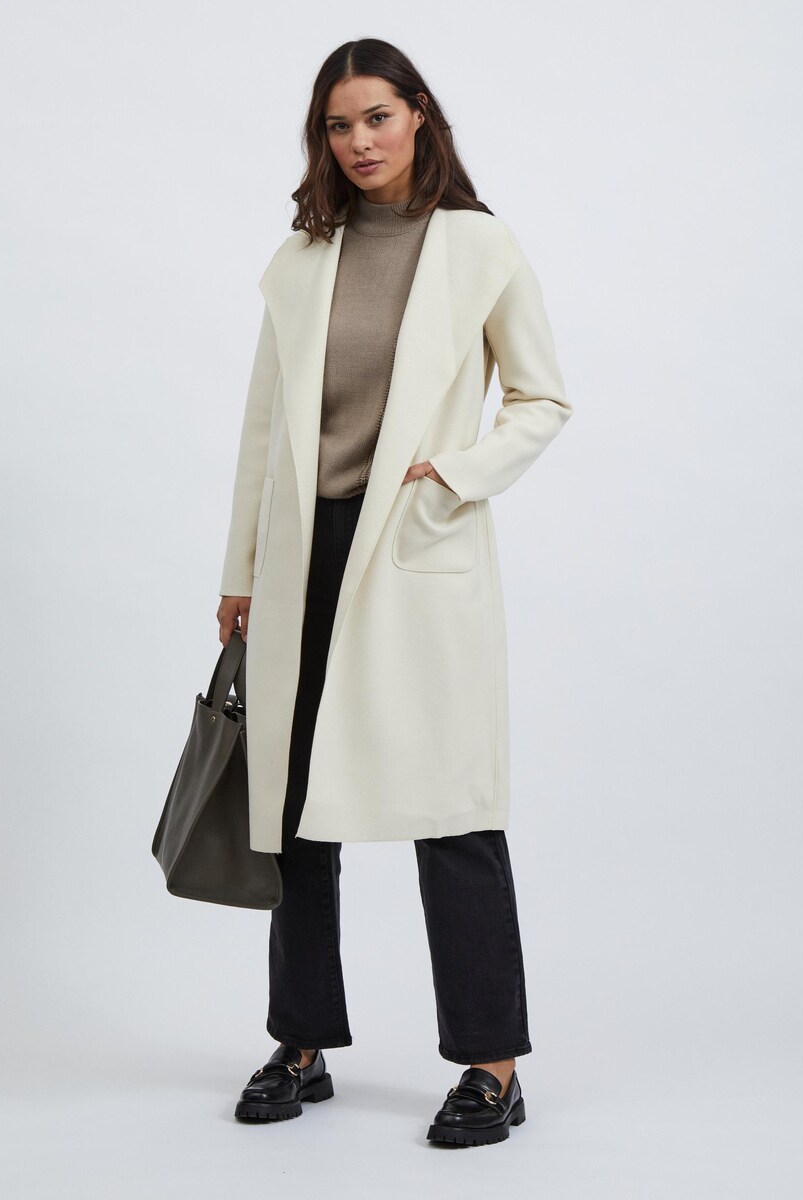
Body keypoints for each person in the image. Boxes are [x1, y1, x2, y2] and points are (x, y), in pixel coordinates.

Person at [216, 38, 572, 1148]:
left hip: (412, 550)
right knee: (291, 809)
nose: (359, 141)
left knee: (450, 806)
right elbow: (265, 427)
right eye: (338, 125)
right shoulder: (302, 258)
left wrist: (454, 475)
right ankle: (302, 1042)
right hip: (303, 554)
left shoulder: (478, 245)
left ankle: (491, 1065)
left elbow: (542, 398)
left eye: (377, 116)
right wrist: (241, 573)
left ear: (419, 114)